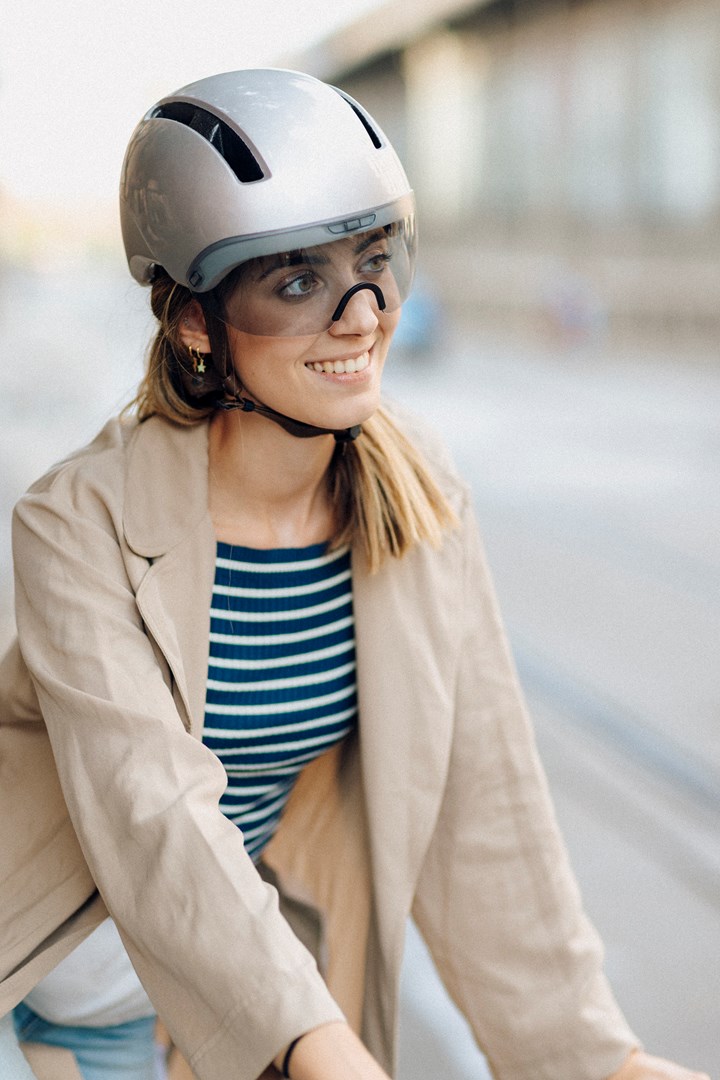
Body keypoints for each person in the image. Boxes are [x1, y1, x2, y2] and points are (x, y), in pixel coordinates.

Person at [0, 69, 710, 1080]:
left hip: (235, 989)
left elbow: (483, 805)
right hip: (67, 983)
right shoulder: (77, 524)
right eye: (298, 283)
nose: (363, 316)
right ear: (195, 320)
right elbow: (152, 816)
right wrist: (319, 1046)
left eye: (378, 262)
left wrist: (593, 1060)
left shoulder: (418, 491)